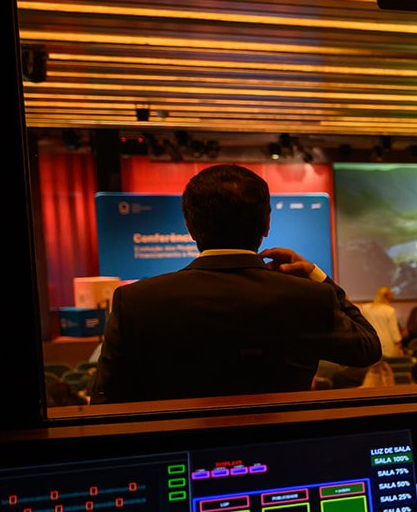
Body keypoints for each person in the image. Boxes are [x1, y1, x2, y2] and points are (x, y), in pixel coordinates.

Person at [91, 165, 379, 403]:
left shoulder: (136, 302)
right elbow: (368, 348)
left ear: (189, 227)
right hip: (287, 455)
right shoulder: (310, 297)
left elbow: (105, 399)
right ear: (266, 224)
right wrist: (318, 276)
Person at [361, 286, 404, 358]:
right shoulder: (390, 310)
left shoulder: (365, 308)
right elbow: (394, 333)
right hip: (388, 347)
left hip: (371, 344)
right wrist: (399, 345)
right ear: (388, 297)